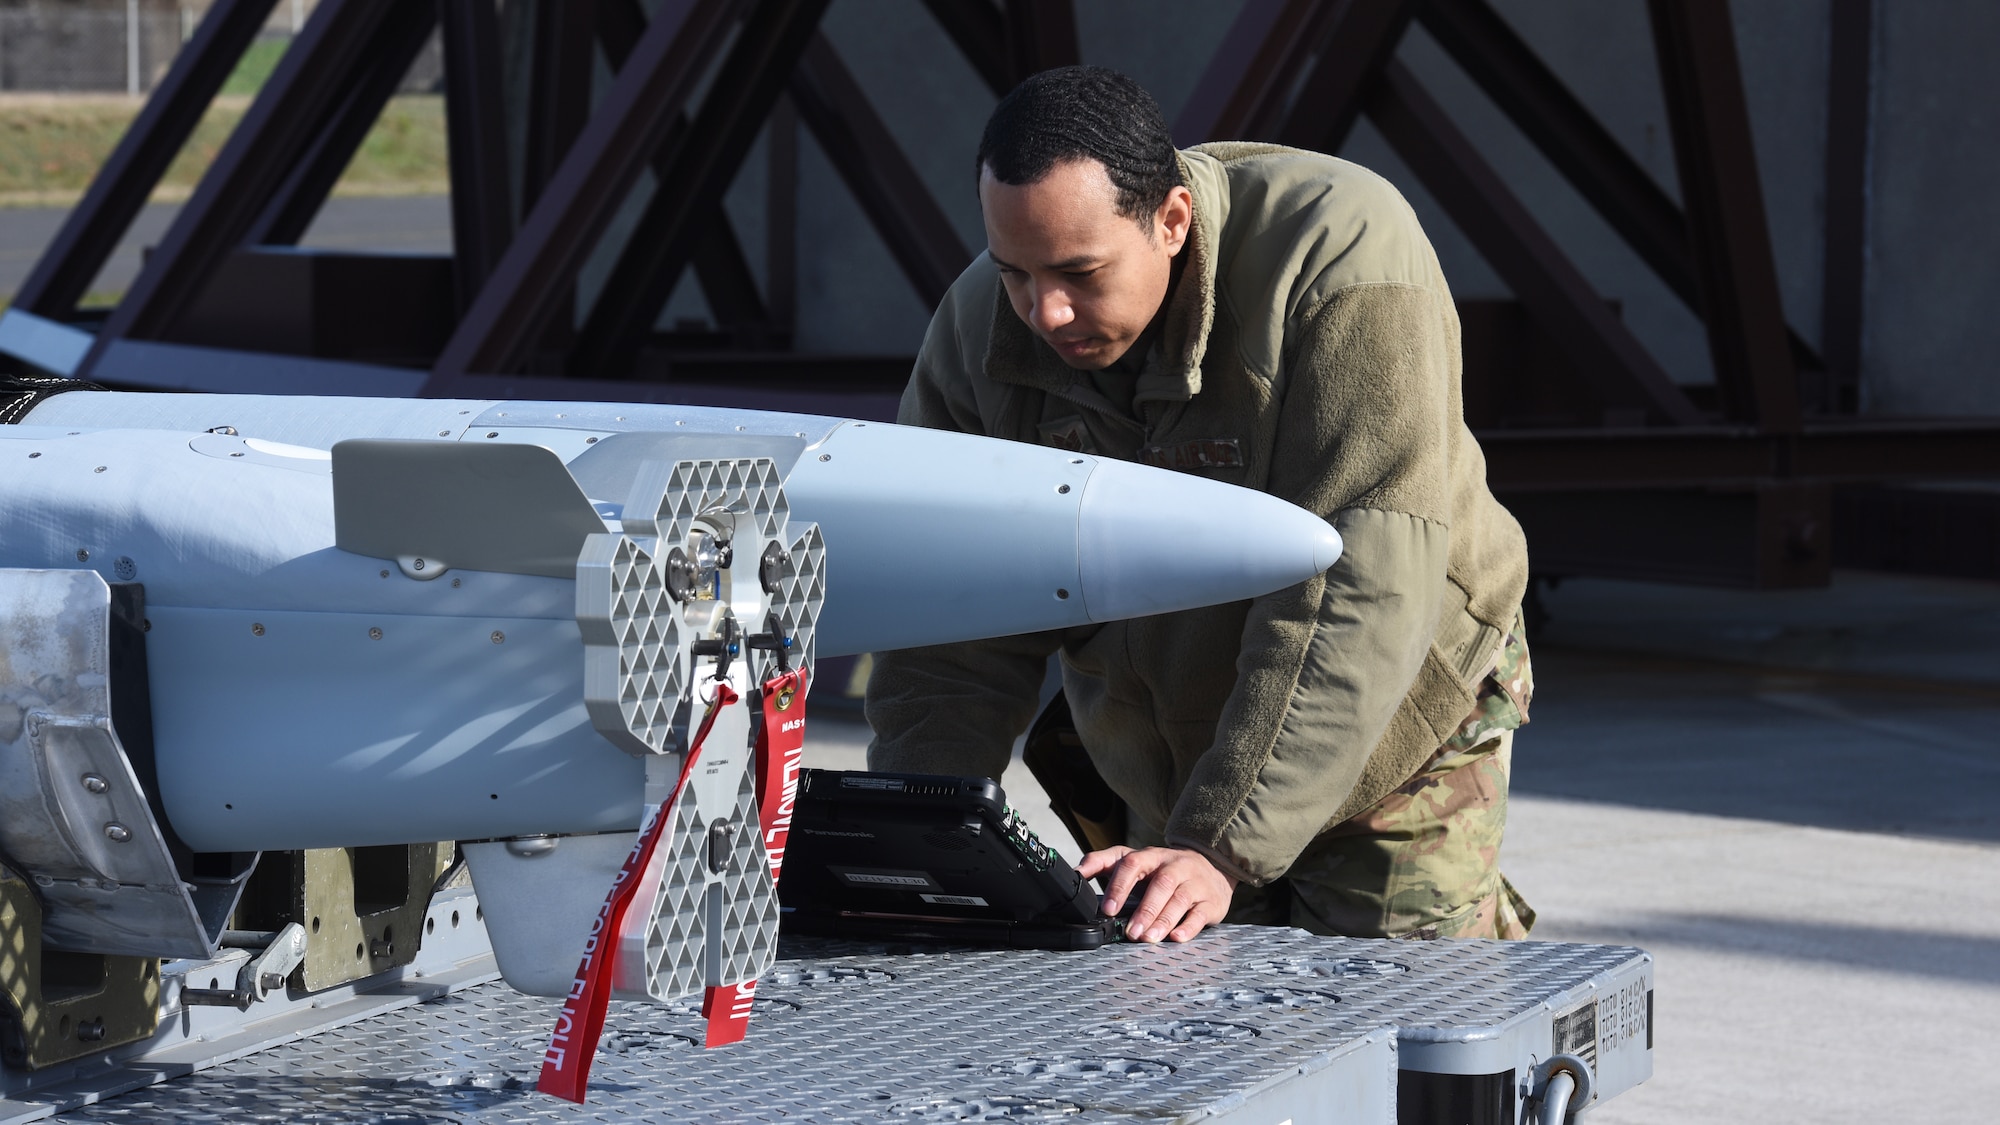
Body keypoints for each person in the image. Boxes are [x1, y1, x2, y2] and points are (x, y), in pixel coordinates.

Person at [865, 65, 1534, 945]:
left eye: (1080, 272)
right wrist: (924, 832)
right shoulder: (978, 325)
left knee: (1403, 1037)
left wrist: (1220, 844)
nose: (1045, 310)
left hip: (1395, 733)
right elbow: (948, 617)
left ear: (1172, 220)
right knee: (1196, 1047)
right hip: (1167, 759)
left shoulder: (1341, 253)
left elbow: (1362, 576)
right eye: (1015, 273)